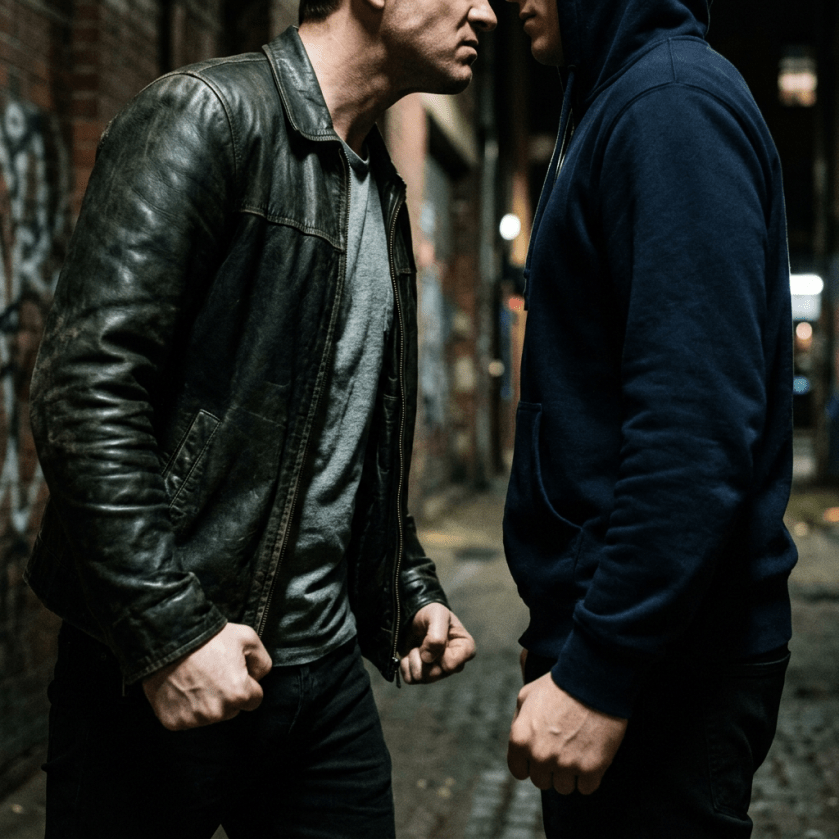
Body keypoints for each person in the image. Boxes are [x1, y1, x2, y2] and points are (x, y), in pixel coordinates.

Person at [25, 0, 496, 836]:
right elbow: (82, 390)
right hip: (163, 667)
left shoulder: (377, 184)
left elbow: (339, 432)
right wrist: (169, 632)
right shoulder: (205, 116)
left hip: (319, 680)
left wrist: (409, 586)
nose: (487, 11)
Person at [502, 0, 796, 836]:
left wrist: (601, 667)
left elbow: (692, 432)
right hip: (638, 645)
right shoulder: (622, 103)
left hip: (674, 665)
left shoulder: (669, 108)